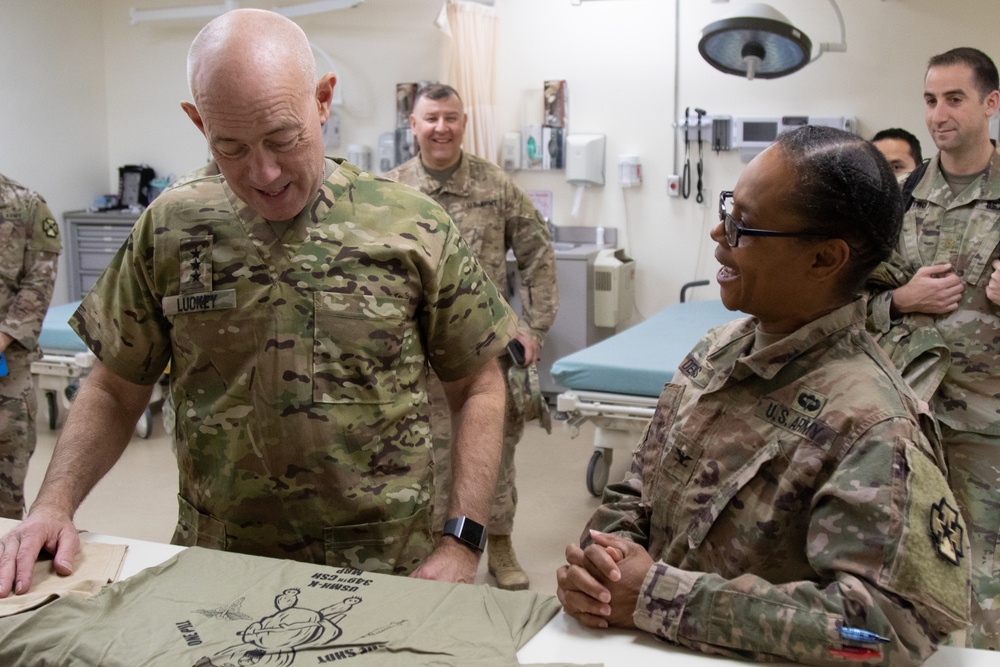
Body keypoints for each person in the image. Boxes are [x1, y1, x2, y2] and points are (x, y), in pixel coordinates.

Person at [0, 8, 516, 599]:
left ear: (323, 100)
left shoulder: (412, 225)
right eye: (231, 146)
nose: (264, 172)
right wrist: (52, 505)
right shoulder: (172, 225)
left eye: (282, 138)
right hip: (215, 563)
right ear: (198, 123)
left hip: (385, 565)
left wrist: (462, 540)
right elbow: (114, 387)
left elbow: (478, 383)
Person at [556, 125, 971, 666]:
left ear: (824, 259)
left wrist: (657, 597)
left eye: (744, 226)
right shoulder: (715, 352)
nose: (718, 234)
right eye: (730, 209)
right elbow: (638, 490)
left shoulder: (872, 425)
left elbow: (884, 631)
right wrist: (600, 568)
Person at [386, 83, 558, 591]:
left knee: (494, 456)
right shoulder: (391, 191)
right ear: (413, 126)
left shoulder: (494, 185)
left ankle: (499, 544)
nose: (442, 127)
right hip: (414, 355)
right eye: (431, 118)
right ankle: (427, 544)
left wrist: (534, 326)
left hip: (484, 351)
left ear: (464, 123)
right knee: (418, 455)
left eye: (451, 118)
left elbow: (538, 254)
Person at [866, 46, 1000, 650]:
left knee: (985, 582)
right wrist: (901, 299)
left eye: (954, 99)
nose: (937, 114)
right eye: (929, 100)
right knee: (909, 567)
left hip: (984, 426)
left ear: (991, 104)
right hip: (909, 417)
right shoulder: (898, 198)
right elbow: (849, 301)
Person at [0, 173, 61, 520]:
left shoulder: (26, 207)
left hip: (7, 377)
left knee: (5, 496)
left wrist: (4, 336)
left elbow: (39, 282)